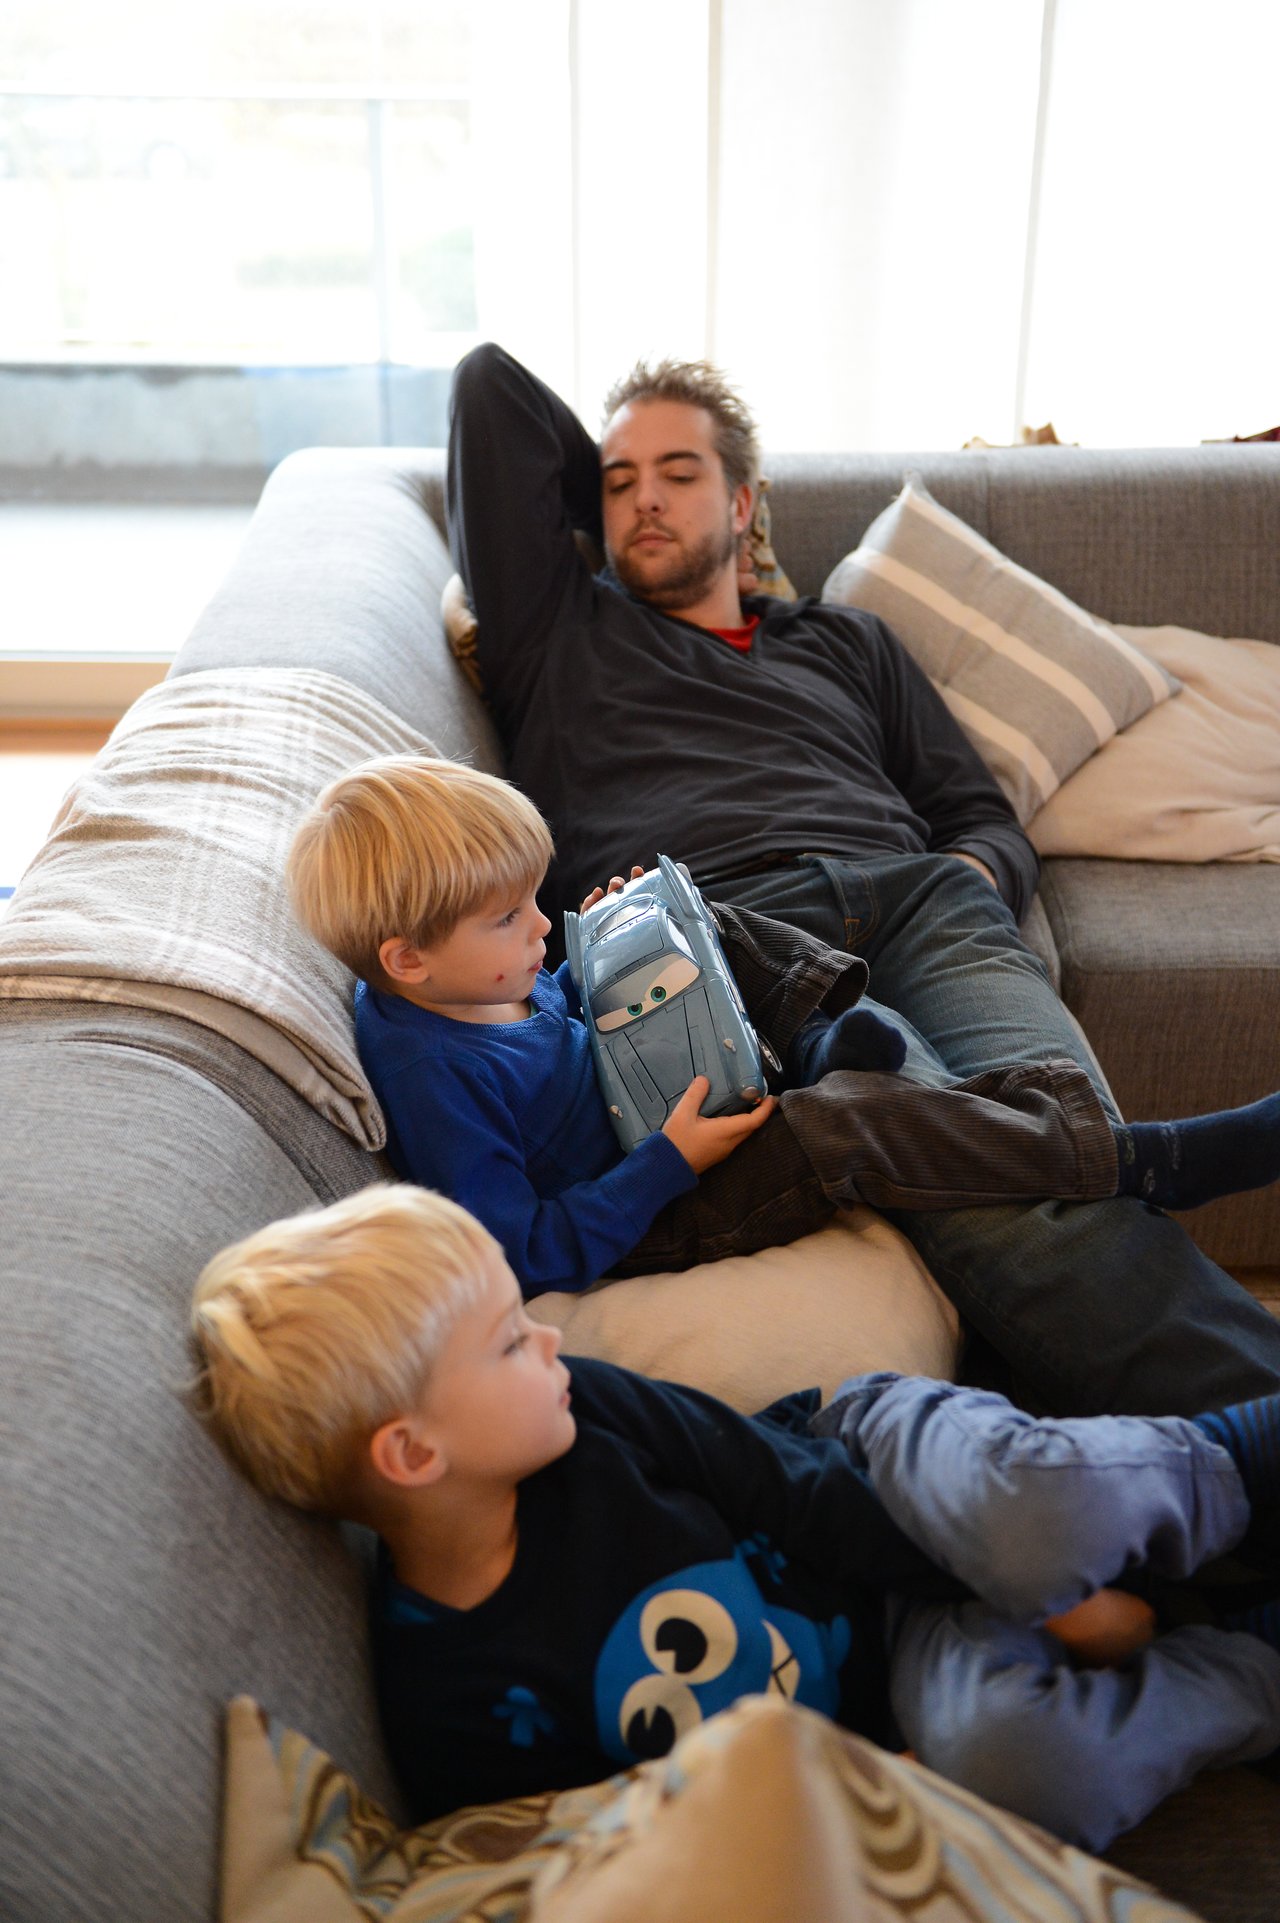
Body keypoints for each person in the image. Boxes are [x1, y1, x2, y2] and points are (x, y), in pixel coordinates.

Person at [444, 341, 1280, 1417]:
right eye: (617, 483)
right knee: (1015, 1184)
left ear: (746, 505)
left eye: (678, 474)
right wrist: (606, 498)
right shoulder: (560, 633)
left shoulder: (847, 641)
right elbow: (485, 387)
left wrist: (968, 876)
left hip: (921, 904)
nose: (644, 500)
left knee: (1058, 1132)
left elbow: (976, 812)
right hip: (725, 934)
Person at [189, 1182, 1280, 1851]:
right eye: (510, 1341)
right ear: (414, 1453)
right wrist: (866, 1783)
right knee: (1033, 1773)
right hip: (898, 1692)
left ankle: (1235, 1460)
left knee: (1028, 1520)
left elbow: (788, 1486)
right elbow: (634, 1842)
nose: (551, 1342)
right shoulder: (460, 1709)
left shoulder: (590, 1415)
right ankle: (1249, 1675)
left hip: (877, 1484)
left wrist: (1058, 1604)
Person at [286, 753, 1280, 1299]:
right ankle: (1141, 1159)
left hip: (648, 1083)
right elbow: (523, 1251)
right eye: (509, 920)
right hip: (647, 1199)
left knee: (693, 917)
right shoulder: (431, 1073)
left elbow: (565, 1016)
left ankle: (806, 1040)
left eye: (532, 902)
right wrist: (665, 1164)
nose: (538, 927)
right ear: (406, 959)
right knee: (835, 1126)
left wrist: (607, 944)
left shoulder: (460, 974)